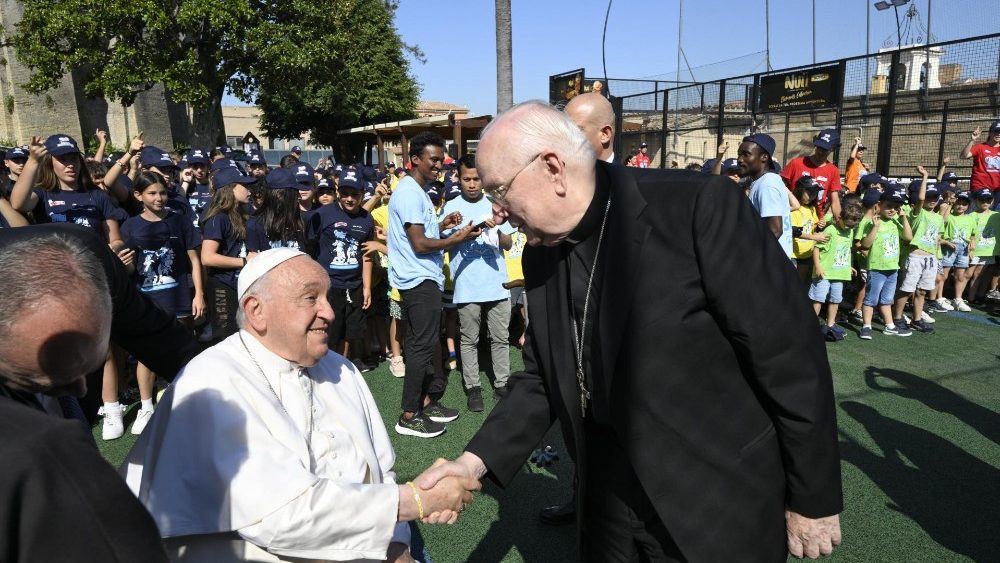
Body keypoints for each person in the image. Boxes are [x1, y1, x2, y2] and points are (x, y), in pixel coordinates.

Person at [416, 101, 843, 561]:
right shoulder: (542, 253)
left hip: (716, 497)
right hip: (606, 506)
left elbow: (789, 356)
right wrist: (470, 464)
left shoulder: (698, 207)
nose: (500, 211)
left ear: (554, 168)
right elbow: (541, 377)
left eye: (502, 191)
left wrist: (812, 500)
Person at [123, 248, 475, 563]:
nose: (330, 312)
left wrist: (397, 547)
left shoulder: (340, 368)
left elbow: (381, 473)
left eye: (327, 297)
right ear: (256, 311)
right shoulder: (211, 381)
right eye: (311, 298)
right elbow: (276, 516)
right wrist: (415, 502)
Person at [0, 231, 170, 562]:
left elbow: (162, 337)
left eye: (88, 366)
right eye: (51, 375)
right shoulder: (38, 453)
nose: (80, 388)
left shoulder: (92, 254)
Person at [388, 132, 480, 438]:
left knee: (422, 344)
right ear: (415, 159)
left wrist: (442, 225)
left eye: (442, 159)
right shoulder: (410, 192)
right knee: (421, 346)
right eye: (434, 159)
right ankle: (409, 414)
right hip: (418, 278)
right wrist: (454, 239)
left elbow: (421, 233)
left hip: (422, 277)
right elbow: (419, 243)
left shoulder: (418, 191)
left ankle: (425, 402)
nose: (440, 165)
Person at [121, 171, 206, 434]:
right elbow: (128, 269)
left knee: (183, 350)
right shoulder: (130, 226)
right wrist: (126, 266)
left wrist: (199, 293)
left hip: (179, 297)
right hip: (147, 300)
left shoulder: (180, 221)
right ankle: (146, 406)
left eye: (162, 192)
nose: (159, 198)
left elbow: (194, 260)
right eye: (152, 193)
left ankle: (184, 401)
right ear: (138, 196)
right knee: (146, 356)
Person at [441, 154, 514, 411]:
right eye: (467, 179)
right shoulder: (450, 207)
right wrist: (462, 233)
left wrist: (496, 230)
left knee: (500, 338)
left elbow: (509, 244)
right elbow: (440, 240)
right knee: (469, 339)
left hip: (497, 284)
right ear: (458, 179)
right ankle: (473, 388)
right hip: (466, 286)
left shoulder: (497, 204)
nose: (472, 184)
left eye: (476, 178)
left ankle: (502, 384)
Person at [305, 168, 375, 370]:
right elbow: (310, 247)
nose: (349, 199)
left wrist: (367, 287)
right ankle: (323, 365)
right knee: (329, 329)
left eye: (354, 194)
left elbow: (367, 255)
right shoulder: (322, 214)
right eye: (345, 193)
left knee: (350, 331)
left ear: (362, 193)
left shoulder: (366, 219)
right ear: (338, 192)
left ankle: (341, 364)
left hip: (354, 284)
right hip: (329, 285)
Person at [200, 166, 257, 343]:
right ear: (230, 188)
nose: (249, 191)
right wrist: (244, 261)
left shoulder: (243, 214)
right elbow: (207, 257)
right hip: (222, 285)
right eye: (244, 186)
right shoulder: (218, 218)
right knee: (225, 339)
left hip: (241, 284)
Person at [891, 169, 945, 334]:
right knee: (907, 289)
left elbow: (937, 239)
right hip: (915, 256)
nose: (931, 200)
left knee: (922, 290)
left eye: (935, 197)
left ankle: (917, 319)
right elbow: (920, 198)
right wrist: (925, 178)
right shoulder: (918, 213)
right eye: (929, 197)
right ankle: (898, 317)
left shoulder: (939, 217)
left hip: (930, 258)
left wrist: (936, 258)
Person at [857, 187, 914, 340]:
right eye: (889, 206)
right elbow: (865, 245)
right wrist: (875, 227)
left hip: (892, 268)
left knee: (887, 299)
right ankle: (866, 326)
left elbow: (908, 238)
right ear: (879, 205)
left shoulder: (896, 222)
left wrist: (903, 218)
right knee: (871, 299)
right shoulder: (872, 222)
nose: (892, 210)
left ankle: (890, 326)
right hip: (877, 267)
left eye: (896, 207)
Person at [810, 200, 865, 341]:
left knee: (835, 300)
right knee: (818, 299)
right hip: (824, 273)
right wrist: (818, 267)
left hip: (840, 274)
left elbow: (846, 251)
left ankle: (830, 324)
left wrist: (848, 265)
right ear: (839, 217)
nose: (848, 228)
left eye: (852, 226)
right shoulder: (830, 231)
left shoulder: (850, 232)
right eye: (846, 224)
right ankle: (810, 324)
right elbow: (816, 249)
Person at [737, 133, 794, 260]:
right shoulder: (764, 181)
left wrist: (750, 257)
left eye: (746, 154)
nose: (740, 159)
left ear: (764, 157)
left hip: (770, 262)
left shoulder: (767, 184)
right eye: (739, 154)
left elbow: (775, 230)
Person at [781, 128, 843, 219]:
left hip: (814, 218)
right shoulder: (796, 163)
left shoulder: (833, 170)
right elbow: (779, 185)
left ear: (833, 149)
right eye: (819, 147)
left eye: (825, 149)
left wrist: (840, 222)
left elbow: (835, 201)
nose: (820, 151)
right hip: (792, 214)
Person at [940, 190, 977, 311]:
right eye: (958, 203)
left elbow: (973, 234)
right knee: (943, 275)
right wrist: (950, 204)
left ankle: (958, 299)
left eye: (964, 204)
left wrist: (972, 246)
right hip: (948, 247)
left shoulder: (970, 219)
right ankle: (939, 298)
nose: (961, 206)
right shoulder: (949, 216)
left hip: (963, 249)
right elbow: (943, 220)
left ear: (968, 206)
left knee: (960, 276)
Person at [564, 92, 616, 163]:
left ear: (605, 134)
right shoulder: (558, 172)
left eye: (575, 131)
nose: (564, 138)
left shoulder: (627, 174)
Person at [960, 122, 1000, 204]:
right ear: (990, 133)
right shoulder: (980, 147)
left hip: (997, 189)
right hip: (980, 187)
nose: (998, 134)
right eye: (996, 131)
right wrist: (972, 140)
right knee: (978, 214)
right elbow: (964, 156)